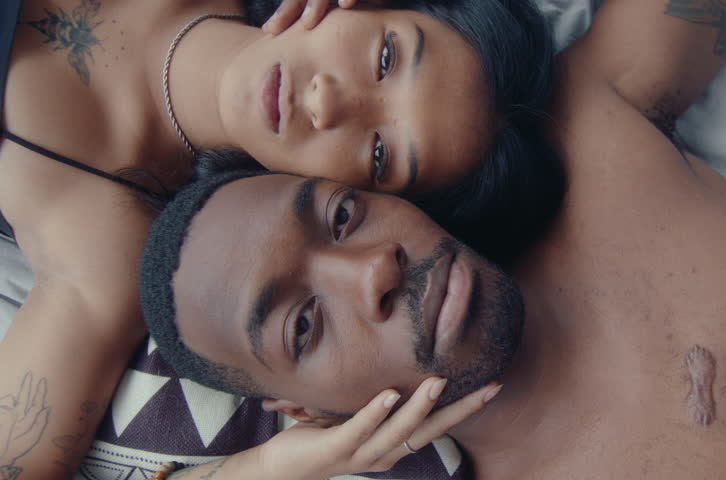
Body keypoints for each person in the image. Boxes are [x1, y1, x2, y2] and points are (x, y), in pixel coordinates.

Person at [141, 0, 726, 478]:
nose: (370, 273)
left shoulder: (589, 137)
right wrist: (254, 470)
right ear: (308, 415)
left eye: (343, 217)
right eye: (304, 324)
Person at [0, 0, 555, 477]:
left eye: (380, 154)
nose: (325, 102)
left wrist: (264, 468)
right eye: (385, 58)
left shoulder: (102, 259)